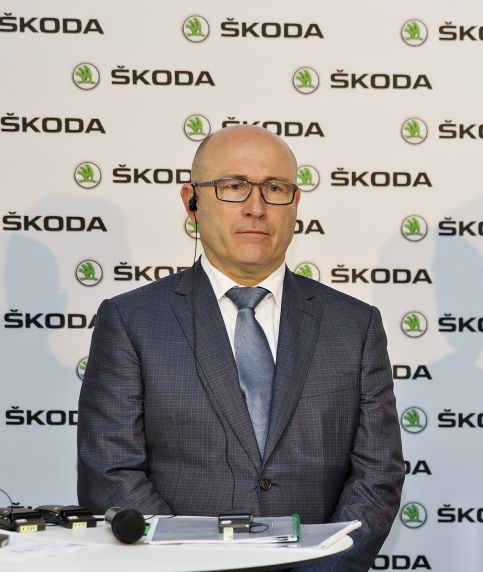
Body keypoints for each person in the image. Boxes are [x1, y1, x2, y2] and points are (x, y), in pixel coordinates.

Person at [78, 125, 404, 570]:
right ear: (191, 202)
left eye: (275, 188)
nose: (256, 207)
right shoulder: (131, 321)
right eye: (233, 186)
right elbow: (110, 474)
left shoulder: (354, 325)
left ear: (296, 204)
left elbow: (378, 475)